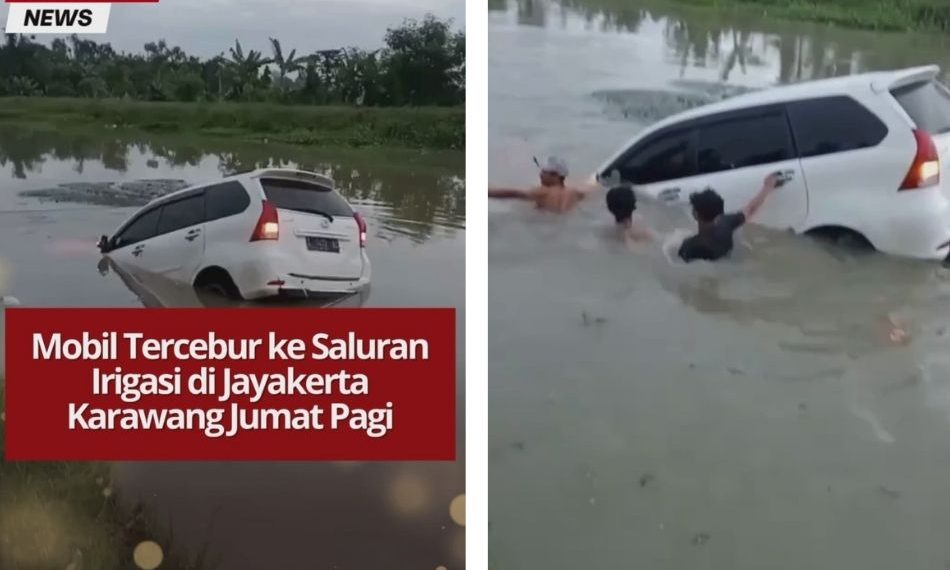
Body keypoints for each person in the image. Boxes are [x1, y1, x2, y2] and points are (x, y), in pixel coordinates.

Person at [677, 173, 781, 263]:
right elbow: (751, 209)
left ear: (695, 214)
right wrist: (768, 186)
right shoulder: (726, 224)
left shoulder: (688, 246)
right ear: (719, 213)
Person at [488, 156, 592, 213]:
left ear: (555, 175)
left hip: (547, 229)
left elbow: (513, 193)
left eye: (544, 172)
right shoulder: (574, 192)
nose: (540, 175)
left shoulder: (542, 192)